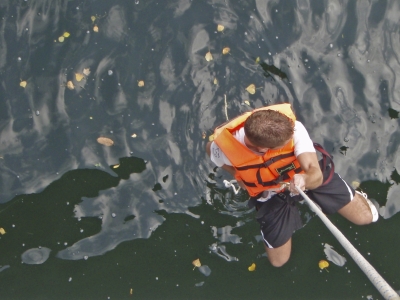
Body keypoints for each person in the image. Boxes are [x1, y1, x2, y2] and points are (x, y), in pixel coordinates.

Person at [206, 103, 379, 267]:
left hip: (303, 176)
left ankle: (354, 195)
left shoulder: (294, 129)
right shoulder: (223, 148)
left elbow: (315, 173)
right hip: (269, 191)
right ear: (263, 149)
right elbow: (210, 150)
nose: (291, 140)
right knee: (278, 262)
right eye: (282, 146)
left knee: (366, 217)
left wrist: (304, 180)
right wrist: (237, 174)